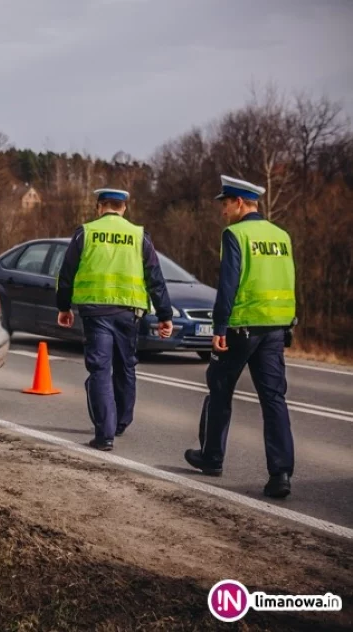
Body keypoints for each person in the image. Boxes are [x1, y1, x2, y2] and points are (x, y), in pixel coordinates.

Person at [183, 175, 297, 499]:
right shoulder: (281, 236)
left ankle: (211, 457)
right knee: (274, 399)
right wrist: (287, 322)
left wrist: (219, 328)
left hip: (241, 326)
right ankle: (281, 474)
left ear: (239, 203)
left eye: (225, 204)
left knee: (219, 389)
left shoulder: (235, 234)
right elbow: (288, 279)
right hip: (274, 327)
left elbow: (228, 284)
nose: (223, 211)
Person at [57, 188, 174, 451]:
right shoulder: (139, 235)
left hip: (96, 312)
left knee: (100, 369)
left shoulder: (85, 233)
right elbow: (155, 277)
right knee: (125, 366)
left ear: (99, 207)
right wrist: (165, 315)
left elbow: (66, 273)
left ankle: (105, 434)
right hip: (128, 313)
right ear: (124, 208)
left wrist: (64, 307)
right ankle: (121, 421)